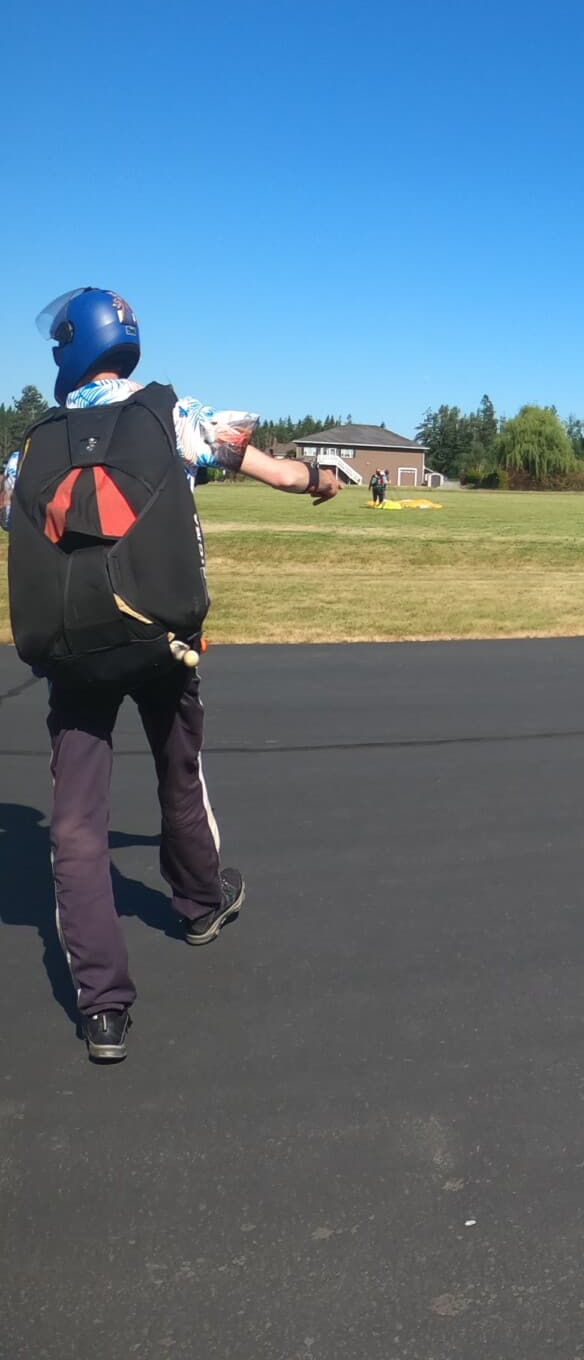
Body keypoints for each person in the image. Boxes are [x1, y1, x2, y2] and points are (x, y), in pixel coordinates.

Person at [3, 288, 342, 1064]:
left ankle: (103, 1008)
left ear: (69, 349)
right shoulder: (174, 415)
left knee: (76, 825)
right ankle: (198, 903)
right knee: (178, 773)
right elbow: (280, 475)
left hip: (75, 659)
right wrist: (319, 478)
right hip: (163, 642)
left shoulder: (32, 447)